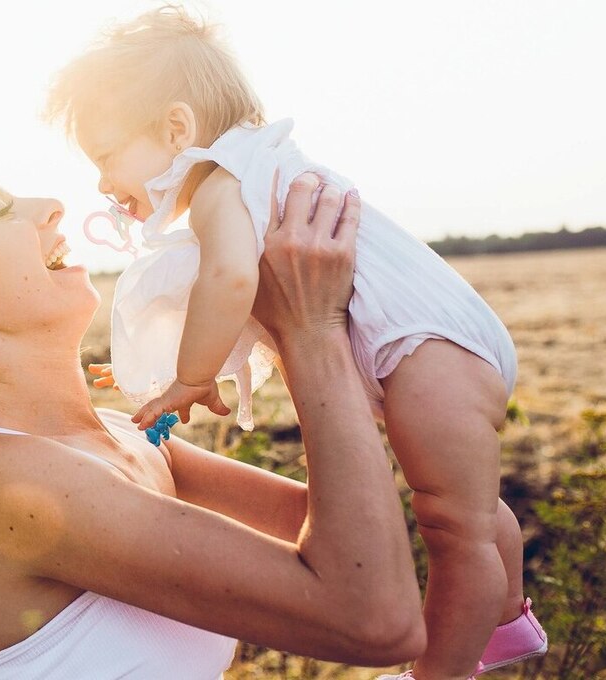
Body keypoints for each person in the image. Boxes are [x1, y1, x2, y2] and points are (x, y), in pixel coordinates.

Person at [44, 7, 547, 679]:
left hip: (428, 351)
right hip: (440, 347)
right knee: (467, 512)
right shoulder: (253, 171)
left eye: (106, 157)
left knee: (456, 530)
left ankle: (441, 671)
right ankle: (507, 617)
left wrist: (193, 377)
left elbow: (227, 281)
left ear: (176, 128)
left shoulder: (226, 183)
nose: (103, 183)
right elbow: (231, 298)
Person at [0, 162, 426, 679]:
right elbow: (375, 616)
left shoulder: (117, 435)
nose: (50, 205)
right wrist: (309, 332)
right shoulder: (4, 484)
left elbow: (348, 537)